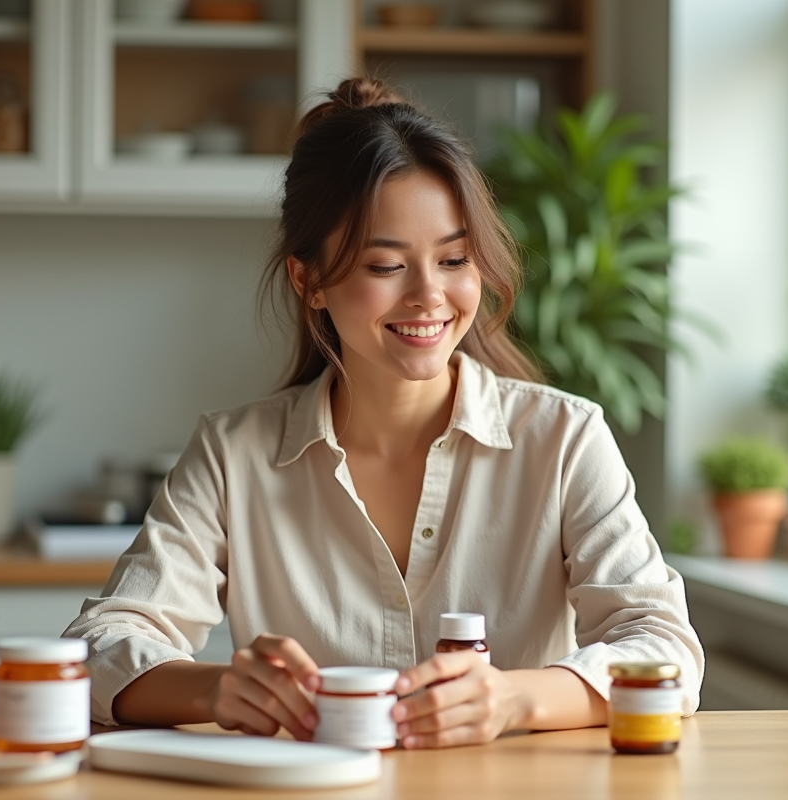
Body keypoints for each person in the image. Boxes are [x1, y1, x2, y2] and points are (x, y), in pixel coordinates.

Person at [64, 77, 703, 749]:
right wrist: (218, 689)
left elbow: (663, 648)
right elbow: (99, 646)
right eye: (385, 265)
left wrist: (514, 698)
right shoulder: (234, 453)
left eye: (454, 259)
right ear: (308, 281)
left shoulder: (564, 438)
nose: (430, 296)